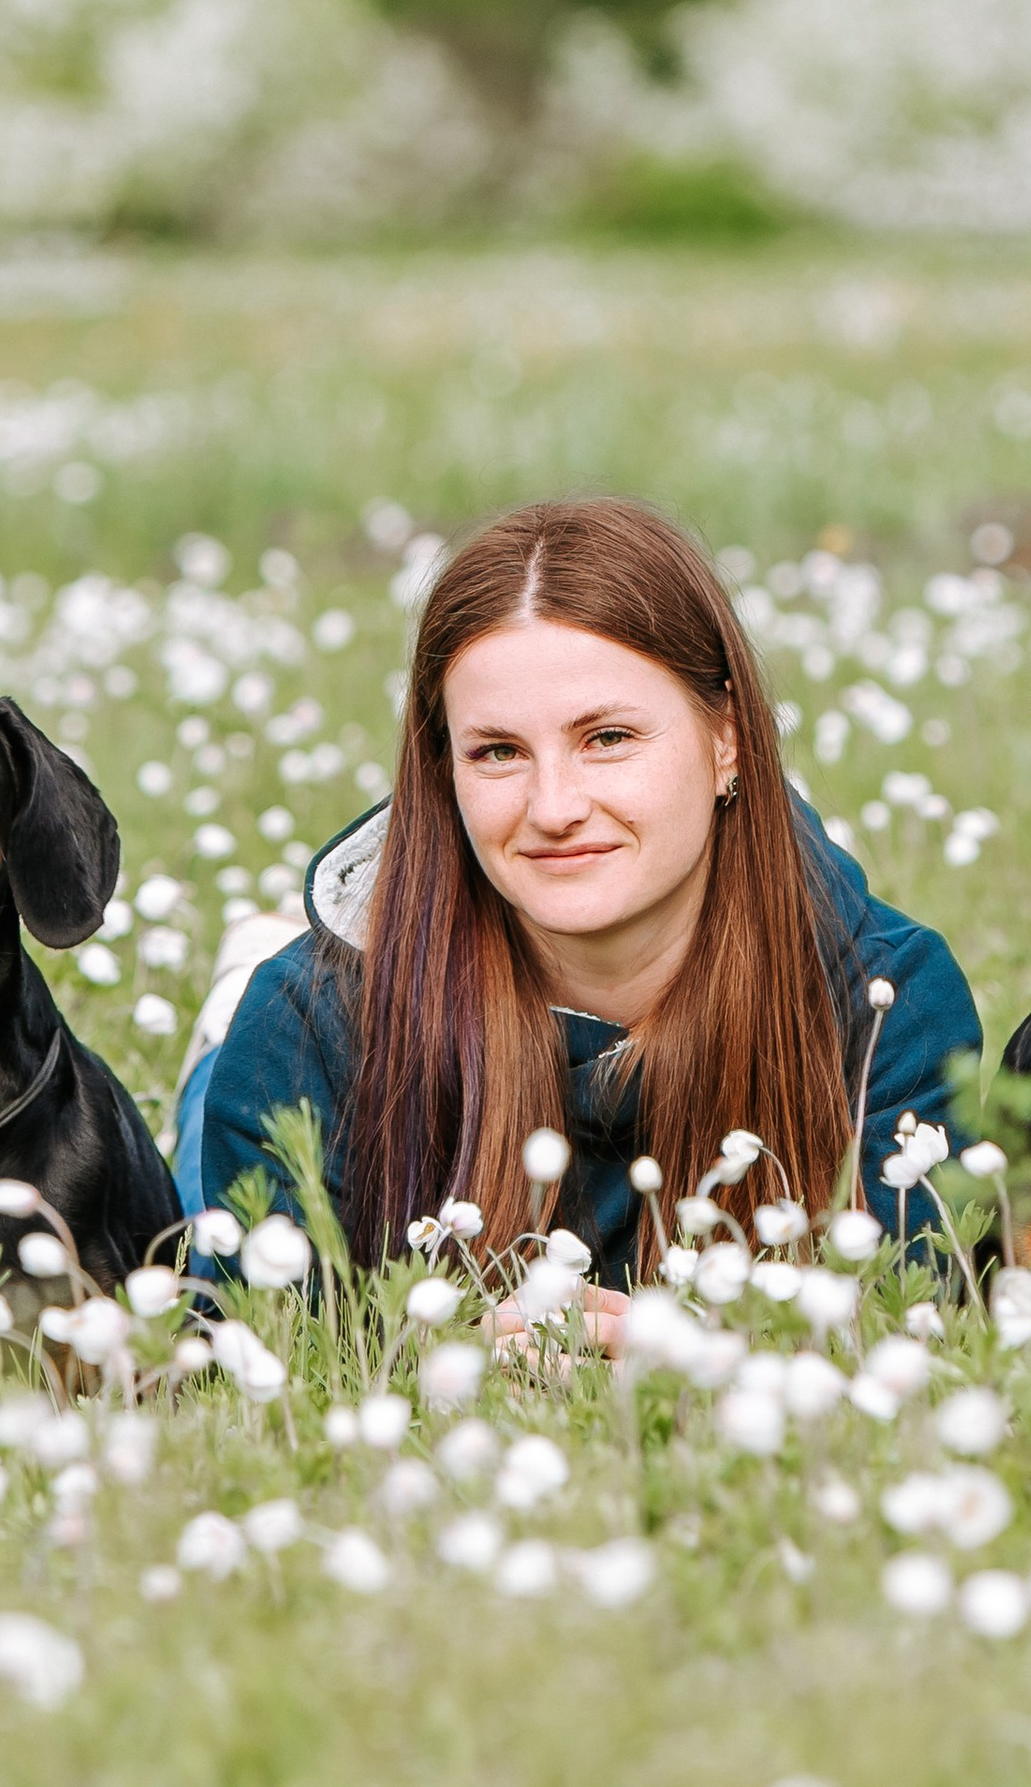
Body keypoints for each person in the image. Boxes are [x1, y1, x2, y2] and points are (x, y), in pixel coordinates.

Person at [175, 496, 978, 1317]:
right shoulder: (305, 1022)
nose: (554, 806)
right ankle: (218, 1036)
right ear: (443, 771)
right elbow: (269, 1345)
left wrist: (708, 1359)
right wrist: (445, 1361)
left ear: (726, 737)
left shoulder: (891, 1002)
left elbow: (913, 1307)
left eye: (608, 738)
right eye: (497, 751)